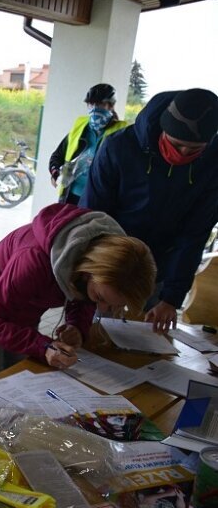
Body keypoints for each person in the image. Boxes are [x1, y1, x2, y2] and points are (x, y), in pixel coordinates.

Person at [0, 203, 156, 381]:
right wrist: (43, 346)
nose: (101, 309)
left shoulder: (92, 256)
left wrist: (77, 326)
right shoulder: (34, 261)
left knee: (17, 374)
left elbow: (82, 294)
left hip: (24, 306)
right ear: (88, 271)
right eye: (100, 298)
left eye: (113, 306)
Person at [80, 88, 218, 333]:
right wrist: (97, 275)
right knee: (93, 336)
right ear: (163, 130)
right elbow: (93, 217)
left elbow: (194, 235)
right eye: (176, 145)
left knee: (143, 341)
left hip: (157, 270)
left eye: (194, 150)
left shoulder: (212, 165)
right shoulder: (119, 147)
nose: (183, 154)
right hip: (109, 263)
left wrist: (171, 298)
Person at [49, 83, 127, 204]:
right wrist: (55, 172)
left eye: (100, 104)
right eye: (91, 104)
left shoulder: (121, 133)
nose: (95, 109)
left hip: (98, 199)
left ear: (111, 106)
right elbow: (57, 155)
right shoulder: (80, 128)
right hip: (71, 195)